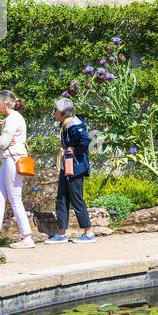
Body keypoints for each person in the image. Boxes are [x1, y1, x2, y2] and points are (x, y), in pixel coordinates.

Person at [0, 90, 35, 249]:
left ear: (3, 103)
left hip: (12, 160)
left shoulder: (12, 119)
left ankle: (27, 237)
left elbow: (3, 143)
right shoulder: (12, 118)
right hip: (9, 159)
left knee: (14, 198)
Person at [47, 96, 94, 244]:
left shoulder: (75, 125)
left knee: (76, 198)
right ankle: (61, 234)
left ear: (62, 112)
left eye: (56, 110)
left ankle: (89, 233)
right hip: (66, 166)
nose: (54, 113)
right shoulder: (65, 125)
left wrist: (74, 150)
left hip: (76, 167)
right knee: (61, 198)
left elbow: (85, 140)